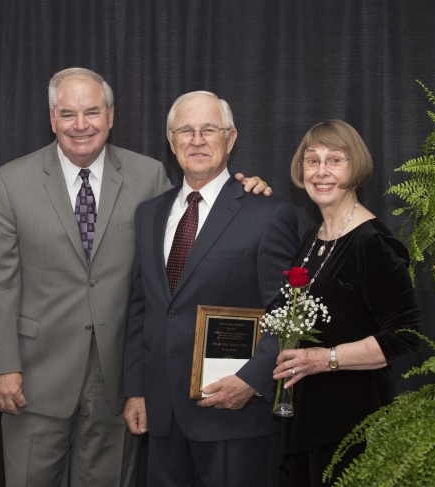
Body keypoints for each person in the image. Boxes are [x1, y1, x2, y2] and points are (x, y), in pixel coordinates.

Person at [0, 68, 270, 487]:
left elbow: (201, 218)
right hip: (34, 378)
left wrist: (245, 189)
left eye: (92, 112)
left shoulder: (147, 176)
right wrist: (3, 366)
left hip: (118, 381)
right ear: (51, 118)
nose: (81, 125)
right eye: (68, 114)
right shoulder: (11, 181)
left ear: (111, 116)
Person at [122, 91, 300, 486]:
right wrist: (136, 390)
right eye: (185, 130)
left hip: (234, 416)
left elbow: (287, 314)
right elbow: (142, 308)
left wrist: (253, 380)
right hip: (163, 418)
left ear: (231, 138)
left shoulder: (268, 213)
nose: (197, 139)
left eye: (209, 129)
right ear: (171, 142)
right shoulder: (149, 213)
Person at [272, 120, 422, 486]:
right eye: (312, 160)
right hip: (308, 422)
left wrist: (325, 358)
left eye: (335, 160)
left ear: (355, 168)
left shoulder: (372, 243)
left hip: (352, 430)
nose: (321, 171)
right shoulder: (314, 238)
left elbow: (404, 336)